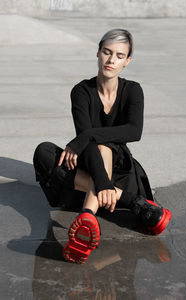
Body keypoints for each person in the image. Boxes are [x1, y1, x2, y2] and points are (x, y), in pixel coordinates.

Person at [33, 28, 172, 264]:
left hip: (120, 171)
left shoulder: (133, 91)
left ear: (127, 61)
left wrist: (88, 135)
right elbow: (86, 145)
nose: (111, 60)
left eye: (119, 55)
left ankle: (87, 216)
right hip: (95, 174)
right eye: (107, 52)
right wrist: (103, 181)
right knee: (44, 151)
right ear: (98, 53)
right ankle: (128, 201)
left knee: (104, 146)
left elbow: (133, 131)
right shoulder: (81, 91)